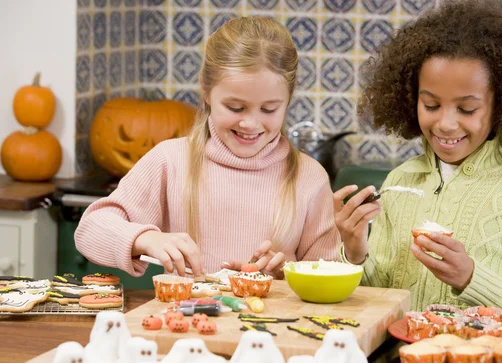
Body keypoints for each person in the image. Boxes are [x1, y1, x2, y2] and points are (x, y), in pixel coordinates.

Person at [334, 0, 502, 318]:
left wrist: (471, 277)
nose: (445, 123)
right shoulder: (401, 180)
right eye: (431, 105)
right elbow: (377, 296)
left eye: (467, 109)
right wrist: (355, 250)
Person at [75, 16, 340, 279]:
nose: (250, 123)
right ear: (206, 90)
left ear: (289, 98)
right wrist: (147, 238)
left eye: (269, 109)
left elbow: (328, 279)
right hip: (184, 319)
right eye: (235, 107)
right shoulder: (170, 161)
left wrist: (287, 275)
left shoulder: (309, 177)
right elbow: (90, 230)